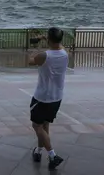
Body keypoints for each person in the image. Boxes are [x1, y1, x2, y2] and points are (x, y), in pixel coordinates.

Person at [28, 27, 68, 170]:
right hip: (57, 97)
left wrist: (34, 47)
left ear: (49, 39)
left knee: (36, 126)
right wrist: (46, 38)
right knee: (44, 125)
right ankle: (38, 151)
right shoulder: (64, 53)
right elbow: (57, 46)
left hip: (42, 97)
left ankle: (52, 155)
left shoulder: (44, 55)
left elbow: (31, 61)